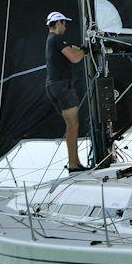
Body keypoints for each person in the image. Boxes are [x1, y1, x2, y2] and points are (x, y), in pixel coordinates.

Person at [45, 11, 88, 173]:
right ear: (59, 22)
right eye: (64, 23)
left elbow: (71, 52)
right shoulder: (56, 38)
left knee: (71, 126)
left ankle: (75, 162)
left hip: (53, 86)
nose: (66, 27)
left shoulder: (52, 40)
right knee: (73, 125)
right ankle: (73, 165)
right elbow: (75, 58)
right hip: (62, 86)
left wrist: (80, 50)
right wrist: (87, 50)